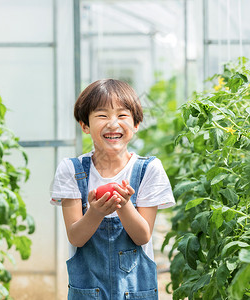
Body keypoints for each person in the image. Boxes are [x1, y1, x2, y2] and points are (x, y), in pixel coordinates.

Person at [50, 79, 175, 299]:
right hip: (88, 292)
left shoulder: (148, 169)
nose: (113, 123)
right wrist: (95, 212)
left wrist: (124, 205)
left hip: (136, 291)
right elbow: (76, 238)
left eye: (122, 115)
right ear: (85, 125)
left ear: (136, 125)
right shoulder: (71, 169)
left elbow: (142, 236)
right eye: (102, 115)